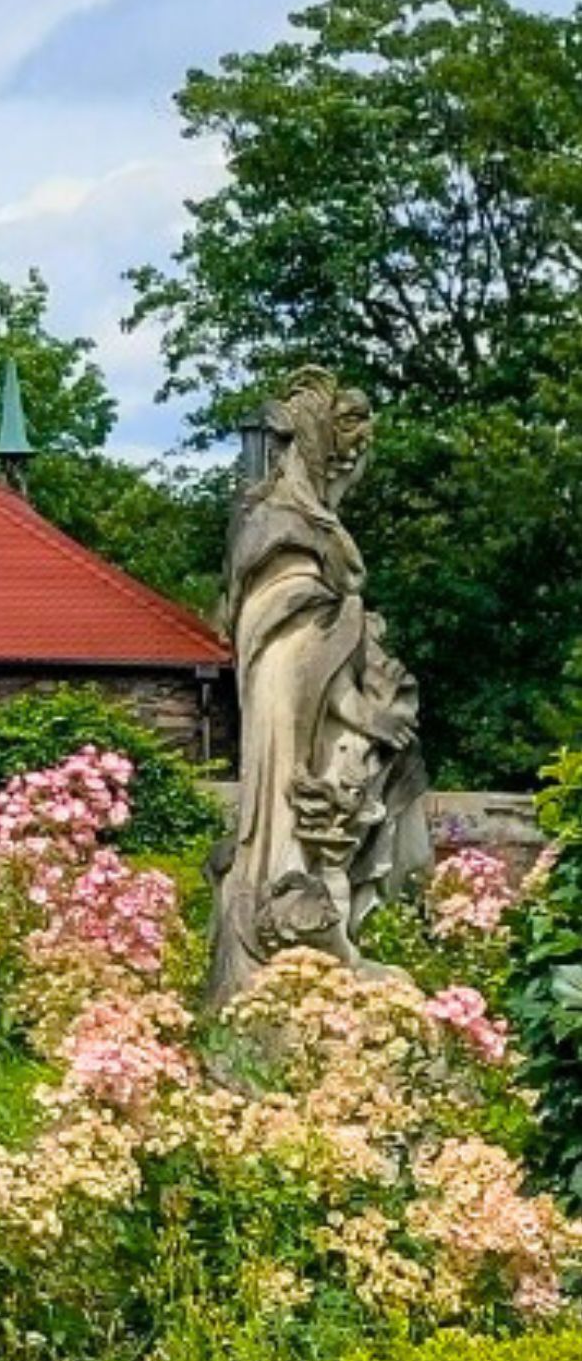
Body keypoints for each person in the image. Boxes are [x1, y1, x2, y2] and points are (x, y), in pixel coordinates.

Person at [209, 369, 430, 1004]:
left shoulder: (306, 520)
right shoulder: (279, 521)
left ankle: (326, 942)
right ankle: (288, 943)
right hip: (294, 697)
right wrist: (362, 710)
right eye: (349, 455)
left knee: (345, 803)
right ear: (321, 449)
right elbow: (302, 644)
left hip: (315, 695)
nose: (354, 470)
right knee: (295, 822)